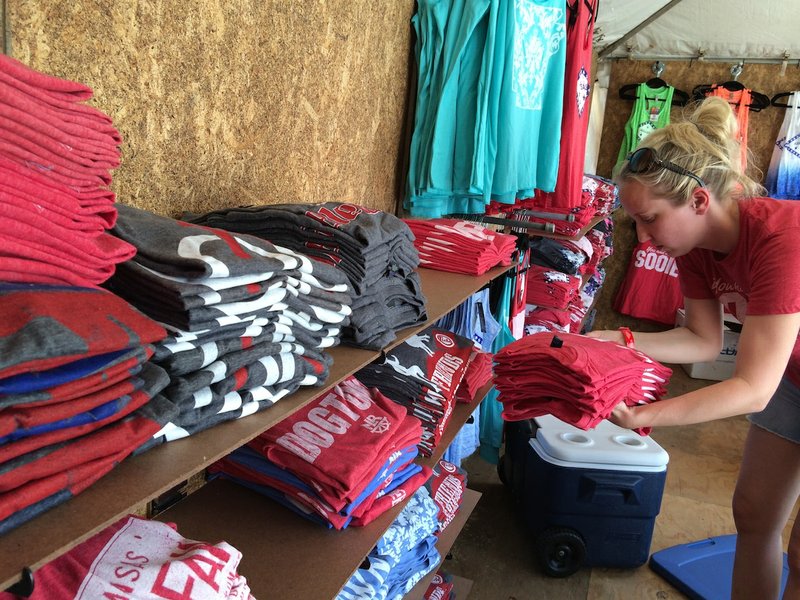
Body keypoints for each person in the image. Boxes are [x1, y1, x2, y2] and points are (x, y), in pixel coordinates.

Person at [588, 95, 800, 598]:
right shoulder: (694, 245)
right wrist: (620, 340)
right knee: (753, 513)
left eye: (651, 219)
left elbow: (751, 388)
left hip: (772, 379)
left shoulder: (782, 238)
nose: (642, 237)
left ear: (699, 201)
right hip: (790, 374)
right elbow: (704, 340)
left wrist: (647, 417)